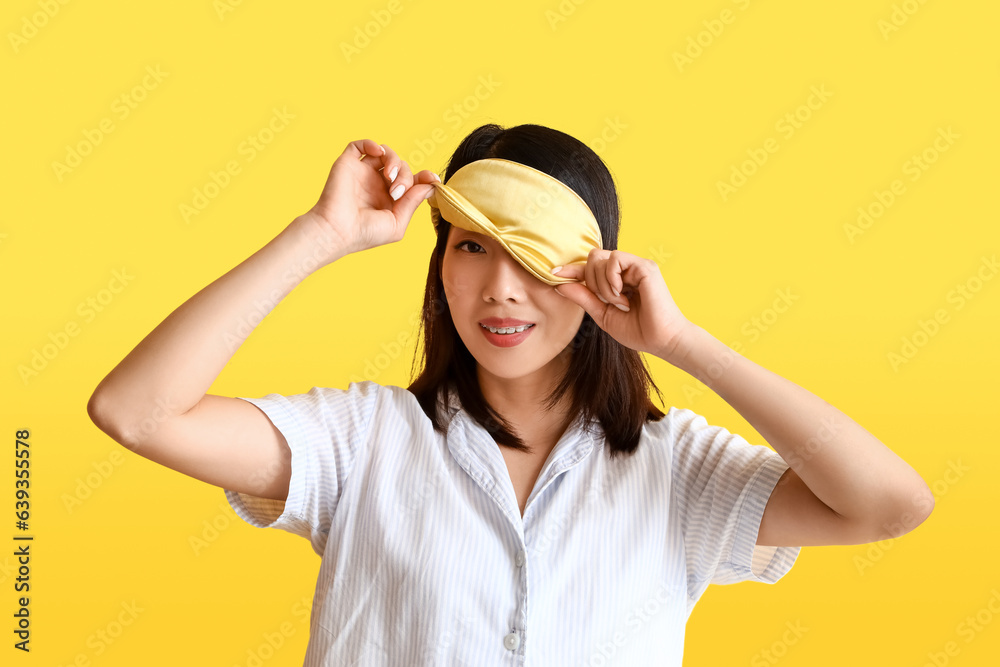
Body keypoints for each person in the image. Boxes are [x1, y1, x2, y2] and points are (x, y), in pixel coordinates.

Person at [87, 123, 934, 665]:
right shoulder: (360, 441)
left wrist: (679, 342)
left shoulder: (679, 471)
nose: (500, 289)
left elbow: (892, 503)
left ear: (600, 275)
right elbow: (136, 411)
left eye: (533, 258)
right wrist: (321, 235)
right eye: (468, 248)